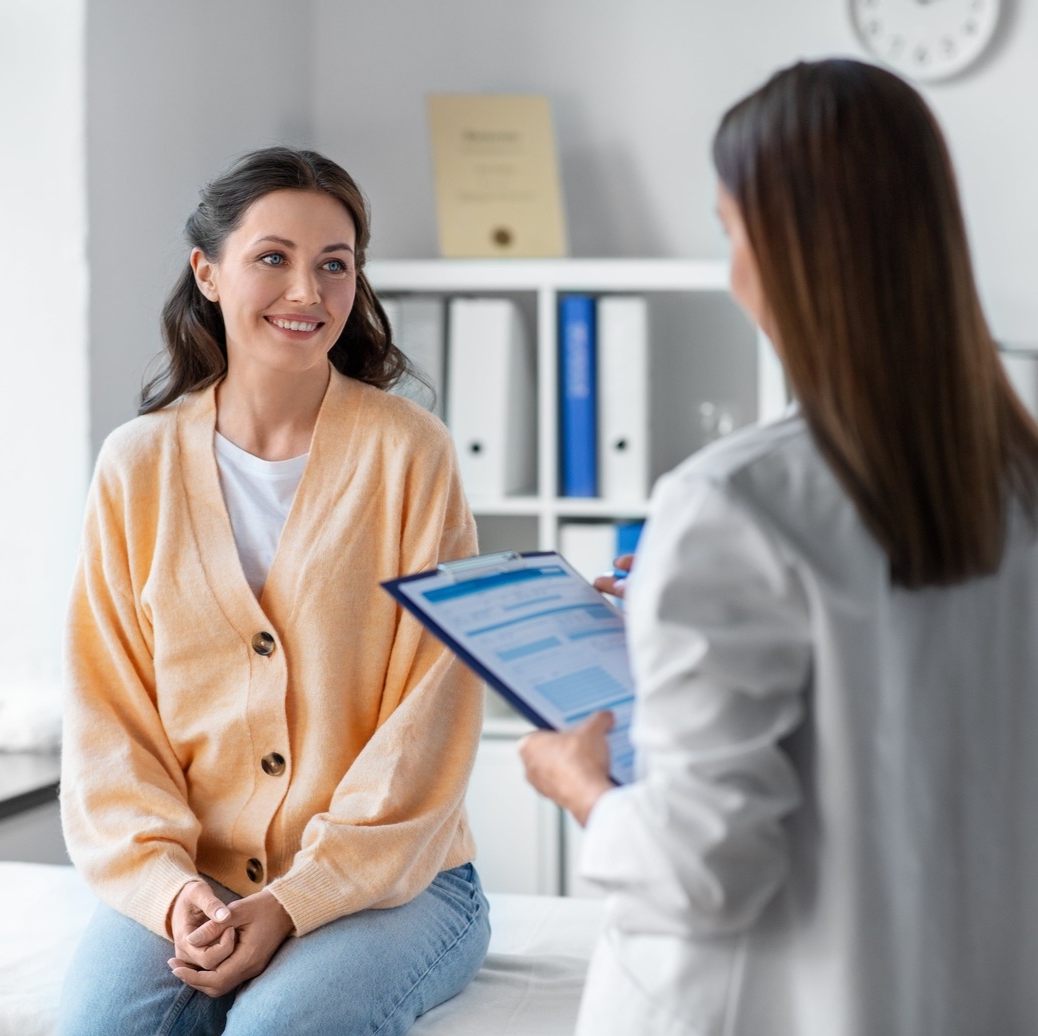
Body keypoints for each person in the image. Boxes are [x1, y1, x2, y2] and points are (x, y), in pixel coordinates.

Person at [519, 58, 1038, 1035]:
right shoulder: (1021, 479)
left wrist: (580, 786)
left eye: (730, 230)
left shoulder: (731, 503)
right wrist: (680, 620)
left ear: (789, 248)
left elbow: (700, 871)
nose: (731, 269)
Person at [57, 146, 490, 1036]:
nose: (308, 291)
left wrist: (298, 902)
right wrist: (168, 889)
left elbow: (431, 712)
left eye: (335, 264)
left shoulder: (410, 455)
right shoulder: (136, 466)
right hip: (195, 871)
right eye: (273, 258)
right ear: (207, 273)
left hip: (394, 877)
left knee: (277, 1029)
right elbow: (109, 714)